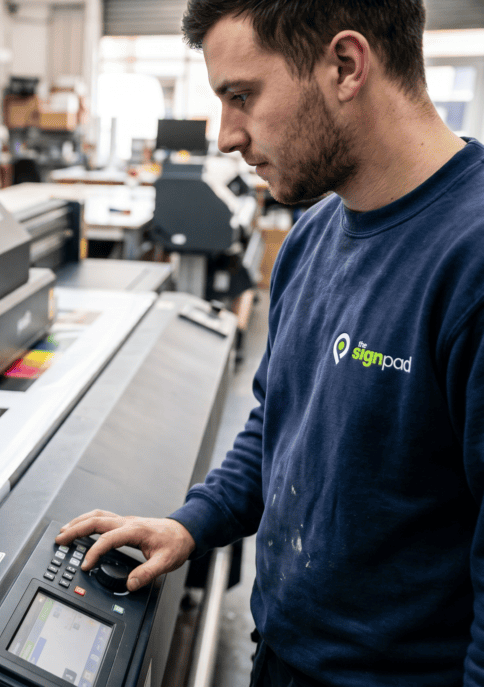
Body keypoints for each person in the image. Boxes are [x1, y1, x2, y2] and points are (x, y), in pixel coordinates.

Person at [56, 1, 484, 685]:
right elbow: (277, 423)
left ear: (345, 65)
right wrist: (191, 523)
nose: (225, 135)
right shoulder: (313, 237)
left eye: (242, 96)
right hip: (282, 654)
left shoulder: (470, 260)